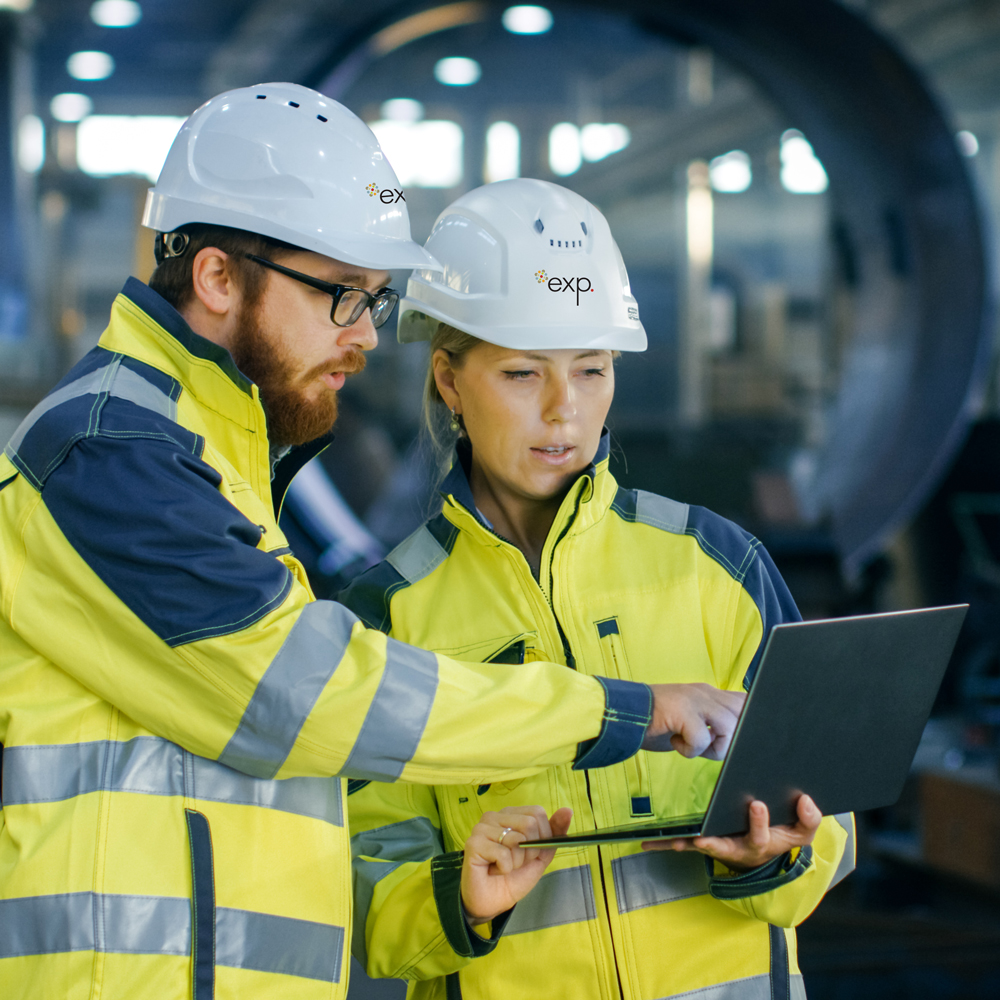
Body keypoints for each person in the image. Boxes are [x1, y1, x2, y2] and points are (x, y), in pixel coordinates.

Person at [0, 85, 744, 999]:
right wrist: (614, 711)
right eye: (342, 297)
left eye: (377, 303)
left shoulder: (215, 457)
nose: (362, 339)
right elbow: (304, 694)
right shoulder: (111, 451)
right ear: (219, 278)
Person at [341, 179, 856, 1000]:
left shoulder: (717, 564)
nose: (564, 411)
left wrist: (784, 853)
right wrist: (461, 901)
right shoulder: (388, 616)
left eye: (591, 369)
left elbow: (832, 811)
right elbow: (364, 889)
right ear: (448, 381)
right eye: (520, 374)